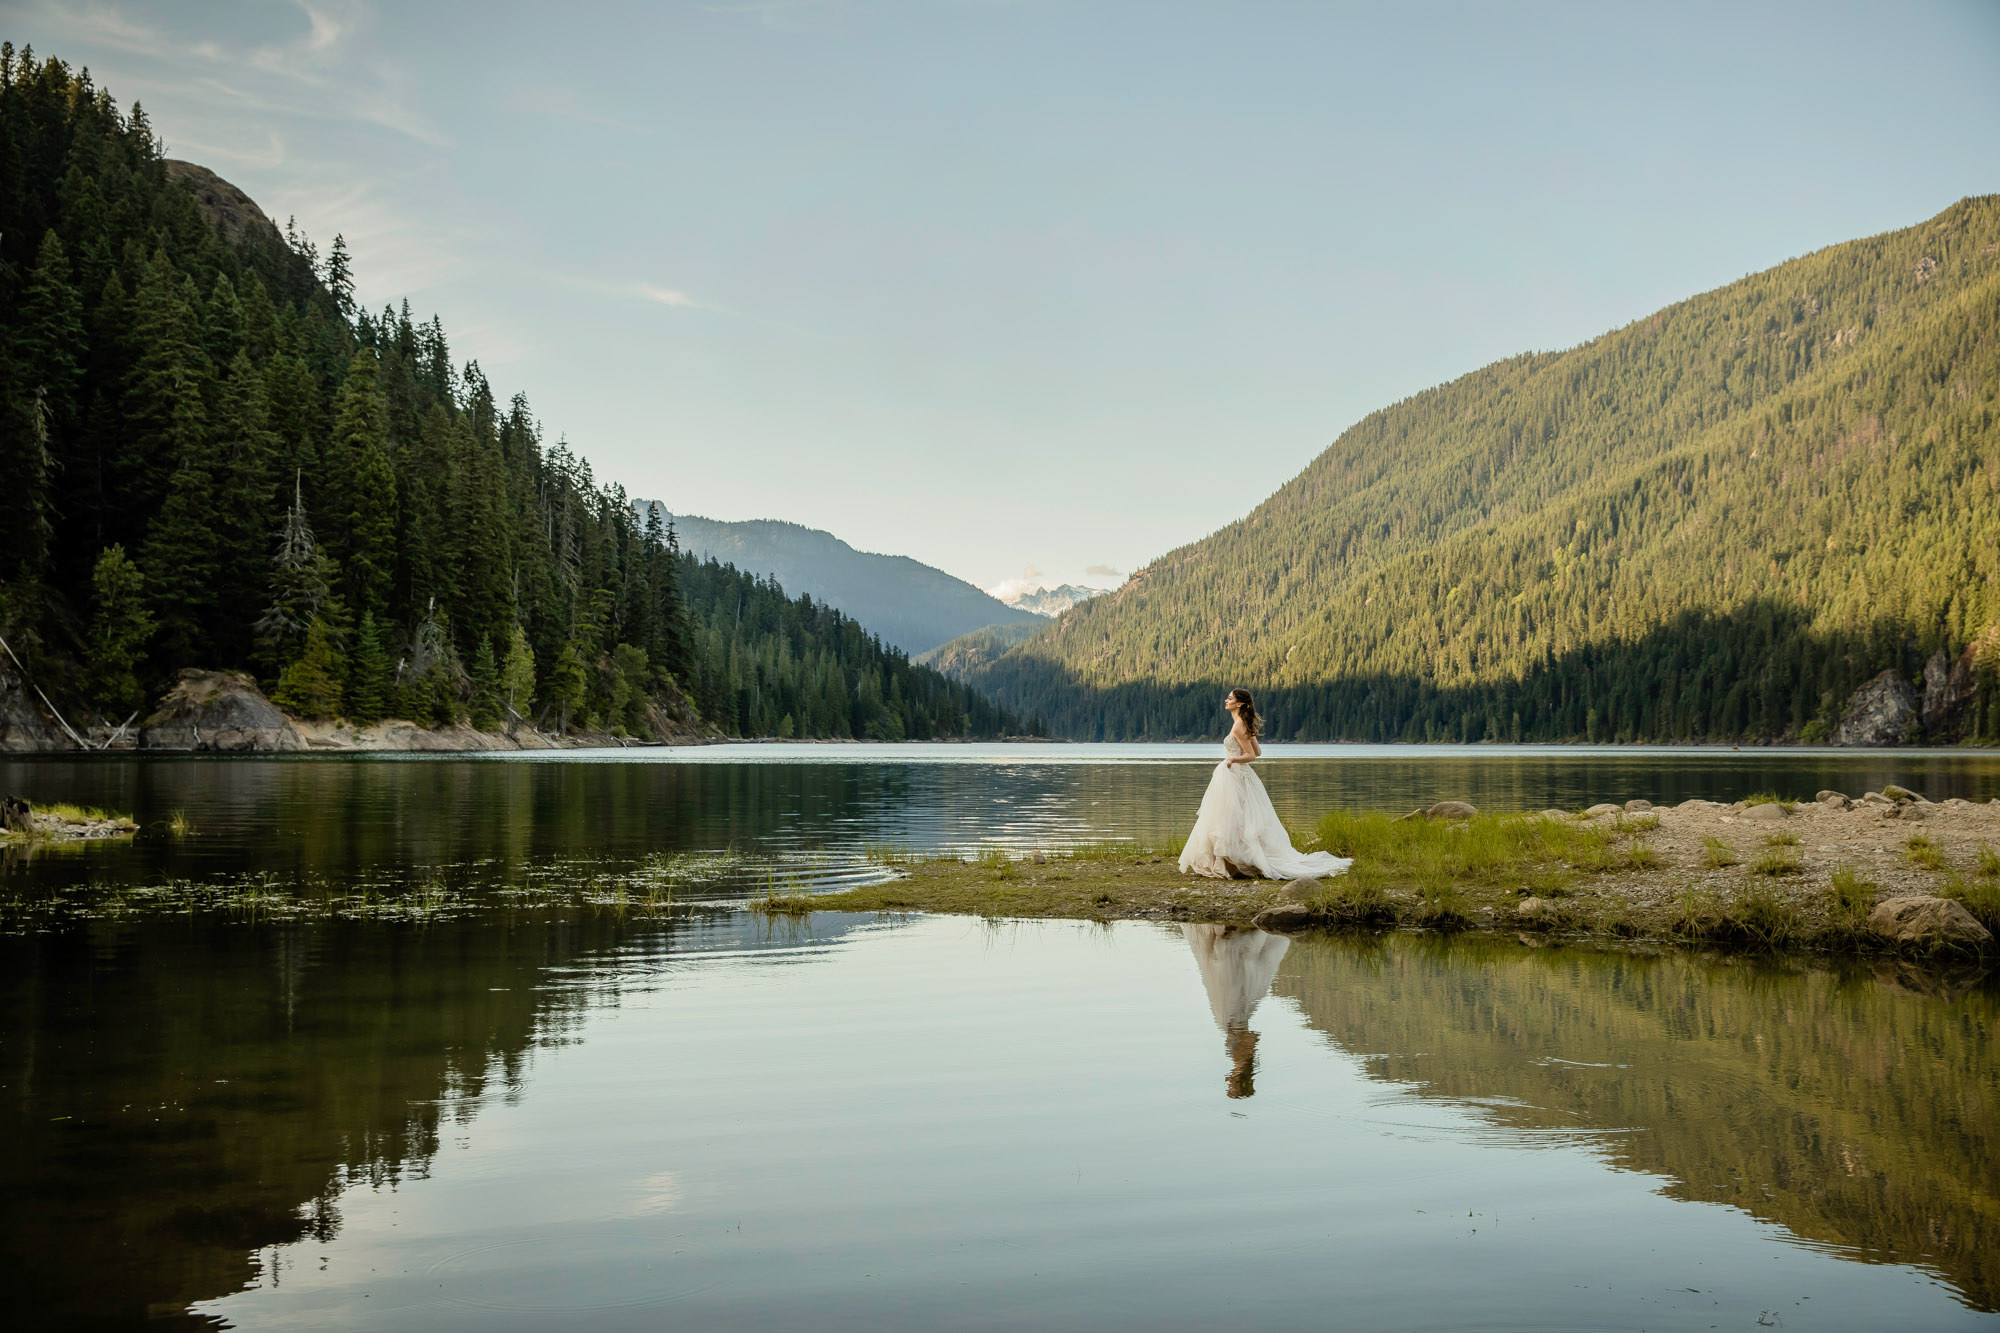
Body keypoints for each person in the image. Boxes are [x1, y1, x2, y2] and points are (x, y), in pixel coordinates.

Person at [1179, 688, 1353, 881]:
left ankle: (1236, 863)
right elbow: (1259, 751)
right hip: (1240, 776)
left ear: (1240, 704)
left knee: (1231, 818)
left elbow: (1252, 756)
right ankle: (1234, 862)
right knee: (1237, 819)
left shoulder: (1238, 726)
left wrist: (1231, 761)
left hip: (1236, 775)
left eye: (1230, 698)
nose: (1226, 701)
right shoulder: (1242, 723)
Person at [1181, 924, 1290, 1098]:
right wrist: (1238, 1032)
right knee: (1233, 975)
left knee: (1235, 975)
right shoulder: (1241, 1060)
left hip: (1235, 1017)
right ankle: (1236, 937)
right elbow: (1250, 1037)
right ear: (1236, 1080)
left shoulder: (1244, 1061)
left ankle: (1236, 938)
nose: (1227, 1081)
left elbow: (1251, 1037)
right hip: (1234, 1017)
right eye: (1231, 1084)